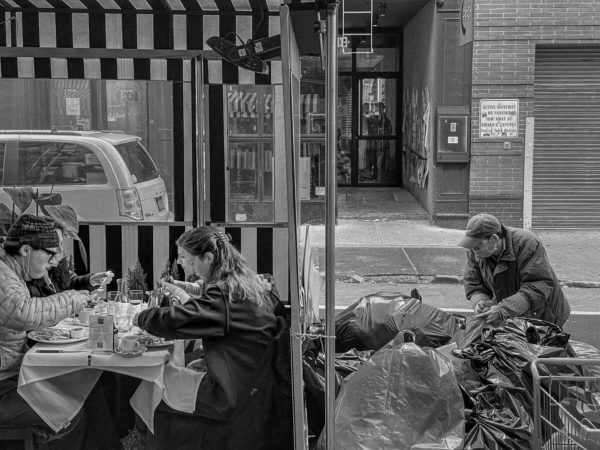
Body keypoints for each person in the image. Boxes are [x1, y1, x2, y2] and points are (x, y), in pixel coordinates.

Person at [133, 226, 291, 450]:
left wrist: (139, 317)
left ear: (207, 258)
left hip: (232, 393)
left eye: (188, 259)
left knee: (154, 388)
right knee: (166, 377)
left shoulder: (224, 293)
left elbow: (178, 320)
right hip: (255, 385)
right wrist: (210, 360)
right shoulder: (245, 283)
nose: (186, 265)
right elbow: (240, 337)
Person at [0, 214, 90, 448]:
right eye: (50, 253)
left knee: (77, 392)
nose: (53, 261)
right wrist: (74, 298)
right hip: (4, 385)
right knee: (69, 409)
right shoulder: (2, 274)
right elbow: (23, 312)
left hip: (12, 375)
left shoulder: (11, 271)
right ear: (26, 250)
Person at [459, 213, 570, 327]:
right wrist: (480, 301)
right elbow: (473, 282)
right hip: (513, 315)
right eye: (472, 244)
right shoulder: (474, 251)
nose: (474, 249)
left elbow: (537, 285)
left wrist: (504, 310)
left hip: (543, 313)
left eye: (478, 244)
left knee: (547, 343)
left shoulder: (527, 243)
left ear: (494, 239)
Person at [27, 218, 113, 298]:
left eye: (61, 243)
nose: (61, 249)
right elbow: (36, 309)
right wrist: (70, 300)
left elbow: (69, 284)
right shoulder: (23, 277)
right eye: (54, 244)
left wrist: (90, 281)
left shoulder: (57, 268)